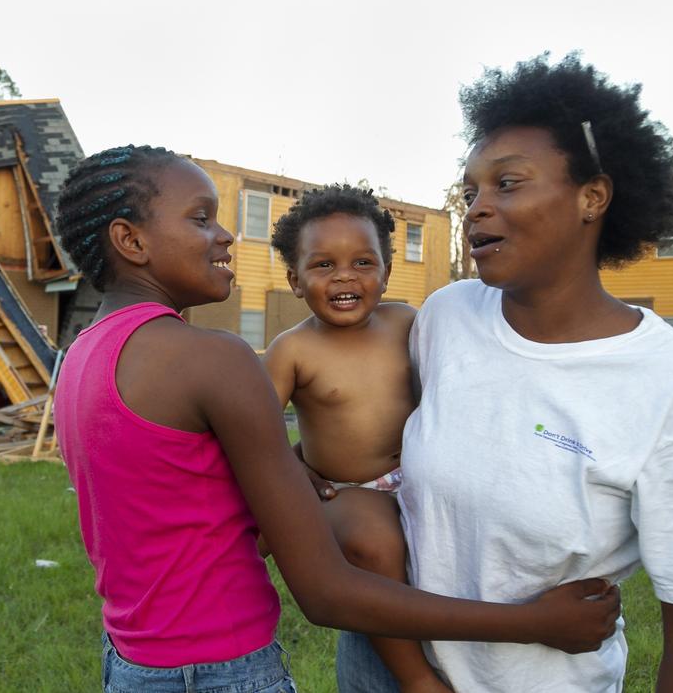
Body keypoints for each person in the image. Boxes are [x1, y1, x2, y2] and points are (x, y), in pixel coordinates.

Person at [52, 144, 620, 692]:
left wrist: (295, 464)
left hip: (133, 661)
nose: (225, 235)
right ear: (130, 240)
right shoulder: (214, 358)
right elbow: (326, 593)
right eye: (202, 219)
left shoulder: (82, 357)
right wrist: (536, 625)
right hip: (223, 669)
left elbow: (191, 486)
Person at [337, 54, 673, 692]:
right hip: (383, 668)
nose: (477, 208)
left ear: (592, 197)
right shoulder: (447, 317)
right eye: (470, 190)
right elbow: (373, 450)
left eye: (507, 183)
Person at [263, 185, 447, 691]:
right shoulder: (292, 349)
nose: (345, 275)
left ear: (386, 274)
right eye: (323, 265)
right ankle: (415, 678)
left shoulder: (407, 323)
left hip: (419, 478)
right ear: (295, 280)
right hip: (348, 491)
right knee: (373, 544)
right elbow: (254, 430)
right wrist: (294, 464)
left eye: (363, 262)